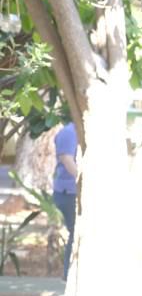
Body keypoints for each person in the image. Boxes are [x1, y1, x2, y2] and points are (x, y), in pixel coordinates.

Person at [52, 120, 78, 279]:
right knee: (77, 233)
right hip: (68, 192)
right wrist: (85, 180)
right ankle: (70, 276)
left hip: (74, 191)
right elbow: (67, 159)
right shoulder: (69, 132)